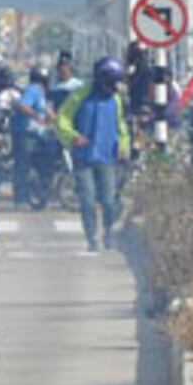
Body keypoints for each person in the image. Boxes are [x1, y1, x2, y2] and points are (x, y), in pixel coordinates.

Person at [55, 57, 130, 252]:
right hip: (83, 157)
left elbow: (121, 125)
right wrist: (72, 136)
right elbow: (62, 118)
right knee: (88, 200)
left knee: (108, 200)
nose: (114, 87)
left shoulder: (115, 98)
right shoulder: (81, 95)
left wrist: (123, 145)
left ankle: (109, 232)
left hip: (107, 156)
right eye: (111, 82)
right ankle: (92, 237)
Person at [11, 65, 52, 208]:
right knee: (23, 164)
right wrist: (36, 116)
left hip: (35, 134)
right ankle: (21, 198)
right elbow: (23, 106)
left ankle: (37, 192)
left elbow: (44, 110)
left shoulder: (40, 93)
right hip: (24, 132)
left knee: (40, 161)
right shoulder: (33, 89)